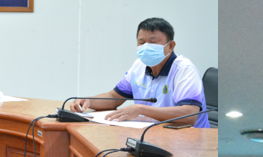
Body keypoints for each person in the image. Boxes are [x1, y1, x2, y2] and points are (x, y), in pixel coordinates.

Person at [71, 16, 209, 126]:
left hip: (190, 141)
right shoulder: (139, 66)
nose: (146, 47)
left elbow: (189, 115)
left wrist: (141, 110)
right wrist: (89, 101)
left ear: (170, 46)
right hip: (153, 135)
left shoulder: (184, 70)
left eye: (153, 42)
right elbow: (113, 98)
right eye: (141, 43)